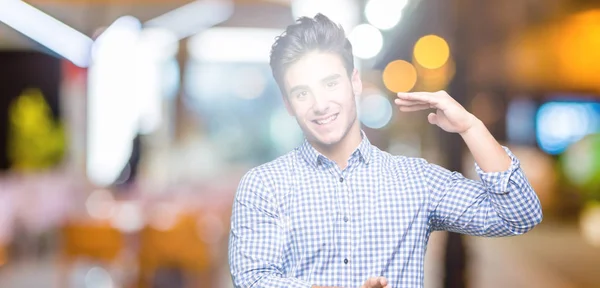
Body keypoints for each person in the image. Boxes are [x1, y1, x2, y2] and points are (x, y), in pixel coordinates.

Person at [228, 13, 542, 288]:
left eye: (330, 83)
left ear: (355, 82)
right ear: (287, 104)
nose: (320, 104)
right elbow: (252, 278)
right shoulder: (263, 186)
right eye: (301, 92)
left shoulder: (415, 180)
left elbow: (519, 216)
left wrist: (470, 128)